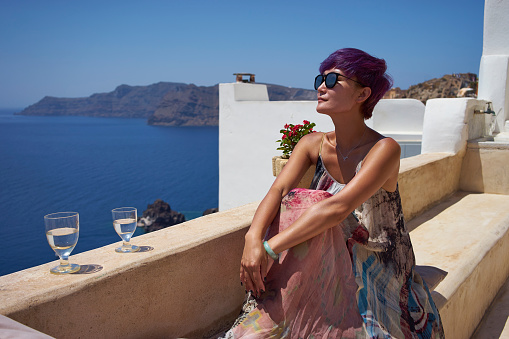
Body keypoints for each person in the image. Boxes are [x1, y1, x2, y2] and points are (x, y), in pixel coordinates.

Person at [225, 48, 444, 338]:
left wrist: (269, 248)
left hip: (377, 260)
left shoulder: (384, 149)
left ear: (362, 95)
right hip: (329, 252)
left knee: (315, 201)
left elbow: (338, 208)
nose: (320, 86)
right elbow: (278, 189)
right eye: (320, 78)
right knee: (298, 201)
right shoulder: (312, 143)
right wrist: (252, 237)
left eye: (332, 79)